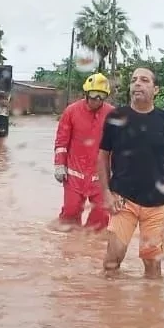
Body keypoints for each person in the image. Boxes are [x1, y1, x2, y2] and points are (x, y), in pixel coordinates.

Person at [98, 67, 164, 279]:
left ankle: (152, 309)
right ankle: (109, 308)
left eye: (144, 80)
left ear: (155, 89)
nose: (137, 83)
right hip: (123, 199)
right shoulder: (116, 117)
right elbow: (102, 156)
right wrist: (107, 193)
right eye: (134, 80)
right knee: (112, 262)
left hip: (157, 203)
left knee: (153, 266)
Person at [53, 72, 113, 231]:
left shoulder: (112, 114)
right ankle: (68, 251)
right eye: (94, 95)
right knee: (70, 216)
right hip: (74, 174)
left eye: (102, 96)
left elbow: (119, 146)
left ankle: (91, 252)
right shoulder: (71, 111)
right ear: (86, 94)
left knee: (100, 219)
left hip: (101, 177)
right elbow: (61, 141)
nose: (97, 100)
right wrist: (59, 165)